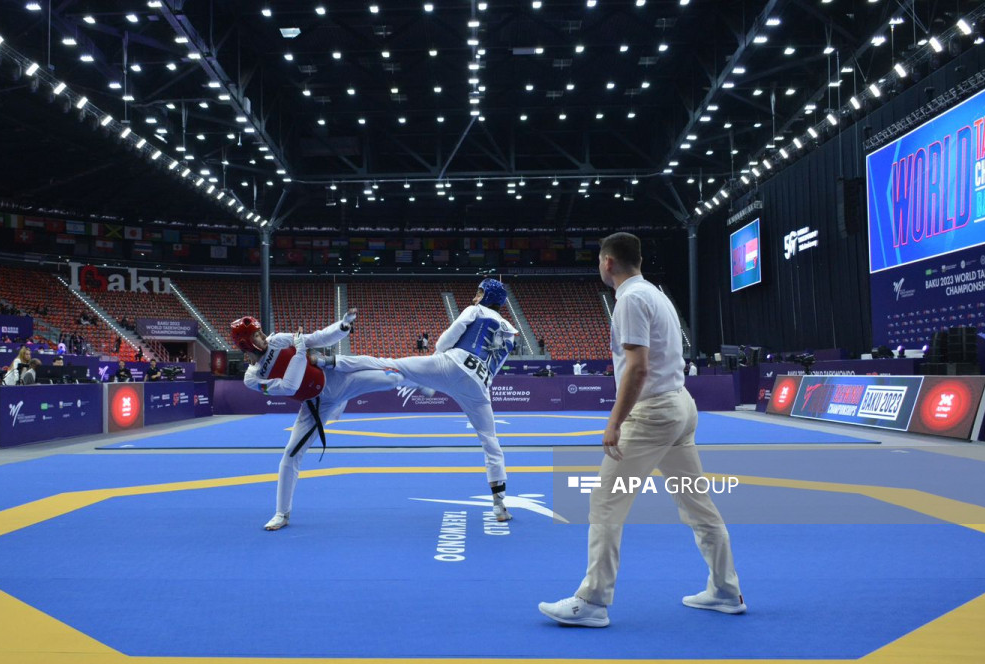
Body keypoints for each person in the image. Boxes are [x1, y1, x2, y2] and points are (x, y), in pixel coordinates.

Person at [539, 233, 745, 628]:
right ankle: (724, 589)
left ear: (608, 262)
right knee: (697, 503)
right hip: (679, 406)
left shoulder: (629, 300)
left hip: (652, 414)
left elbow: (637, 367)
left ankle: (594, 600)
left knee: (605, 502)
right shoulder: (655, 293)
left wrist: (614, 421)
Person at [331, 279, 517, 522]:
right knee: (491, 442)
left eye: (479, 291)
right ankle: (499, 505)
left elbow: (442, 343)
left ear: (488, 295)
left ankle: (333, 362)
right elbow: (495, 368)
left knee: (392, 365)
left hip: (453, 363)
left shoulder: (475, 310)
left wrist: (433, 368)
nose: (475, 296)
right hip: (479, 385)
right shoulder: (512, 332)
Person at [233, 309, 411, 531]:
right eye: (256, 337)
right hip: (315, 405)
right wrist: (299, 351)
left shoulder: (278, 340)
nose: (262, 337)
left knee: (393, 378)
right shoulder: (252, 377)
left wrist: (342, 327)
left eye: (260, 332)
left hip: (337, 381)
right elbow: (290, 386)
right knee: (290, 455)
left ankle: (421, 379)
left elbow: (316, 338)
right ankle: (281, 513)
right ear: (245, 344)